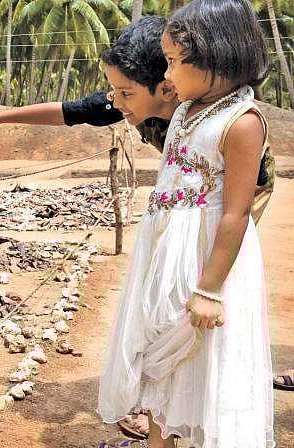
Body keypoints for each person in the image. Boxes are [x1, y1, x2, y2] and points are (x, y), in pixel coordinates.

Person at [96, 1, 274, 447]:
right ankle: (161, 440)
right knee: (162, 353)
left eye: (174, 61)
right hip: (165, 253)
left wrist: (210, 289)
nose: (168, 75)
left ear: (215, 54)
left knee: (203, 357)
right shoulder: (184, 111)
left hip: (204, 260)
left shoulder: (243, 123)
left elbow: (235, 213)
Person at [0, 16, 274, 225]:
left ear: (167, 86)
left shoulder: (209, 117)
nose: (115, 102)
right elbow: (66, 112)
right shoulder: (130, 100)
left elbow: (238, 202)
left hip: (238, 184)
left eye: (125, 93)